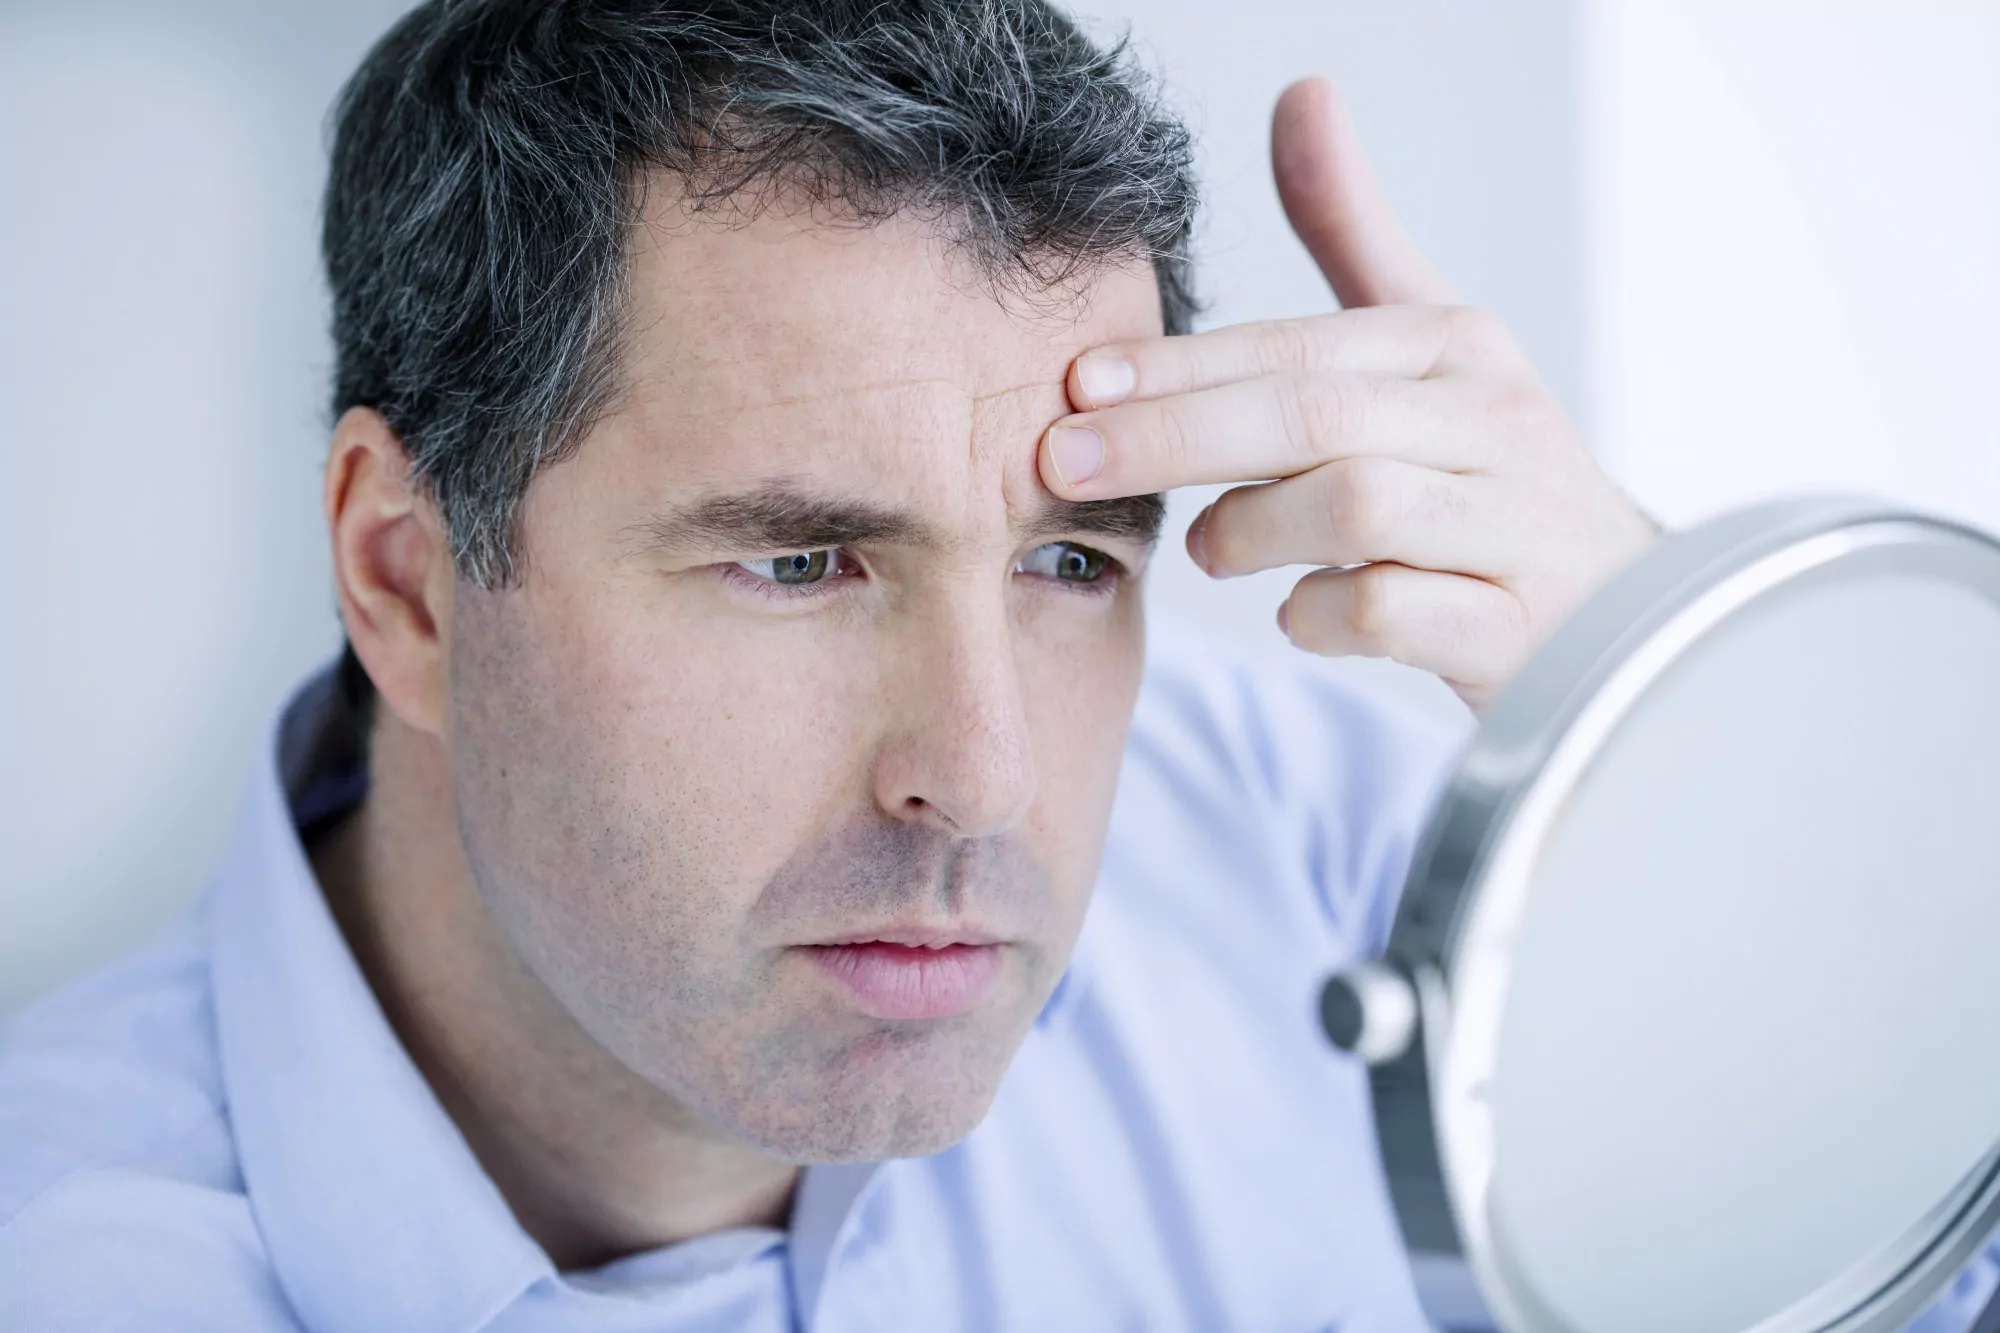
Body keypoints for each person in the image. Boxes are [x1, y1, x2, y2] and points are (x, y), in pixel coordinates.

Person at [0, 1, 1676, 1328]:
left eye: (1066, 563)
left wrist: (1722, 733)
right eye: (802, 562)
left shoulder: (1314, 845)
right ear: (407, 579)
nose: (984, 773)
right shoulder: (70, 1265)